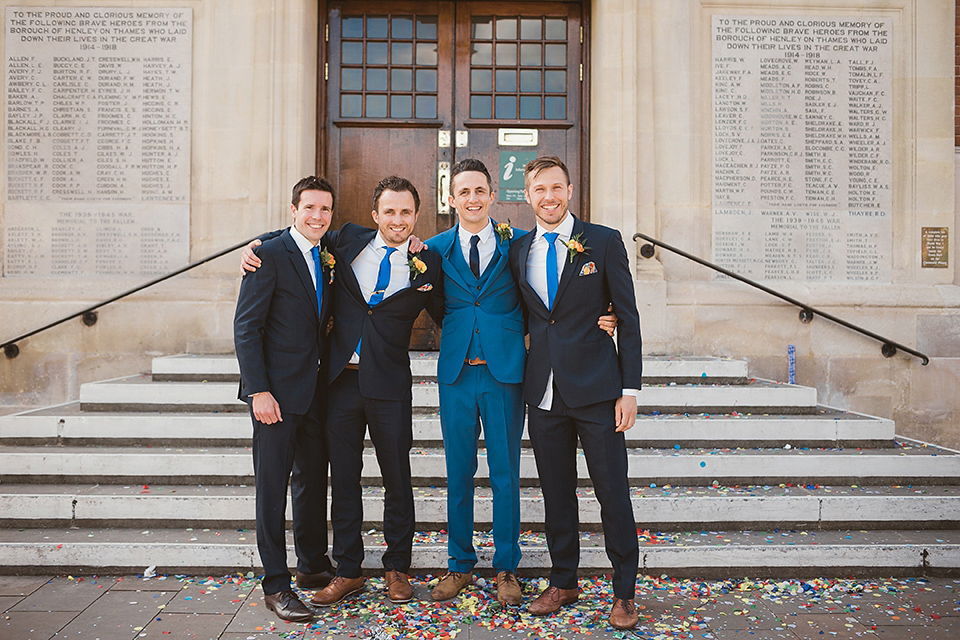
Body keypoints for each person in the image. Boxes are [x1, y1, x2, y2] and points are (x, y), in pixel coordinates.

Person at [424, 159, 620, 604]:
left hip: (508, 373)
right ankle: (459, 565)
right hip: (456, 372)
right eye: (463, 192)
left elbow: (554, 295)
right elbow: (436, 303)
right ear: (450, 199)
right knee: (459, 471)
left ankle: (506, 566)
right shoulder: (433, 250)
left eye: (480, 191)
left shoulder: (517, 245)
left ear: (493, 196)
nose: (472, 199)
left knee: (506, 473)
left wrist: (602, 318)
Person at [507, 156, 642, 630]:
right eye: (539, 189)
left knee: (612, 493)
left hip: (598, 390)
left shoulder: (603, 242)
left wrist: (630, 389)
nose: (548, 197)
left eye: (556, 188)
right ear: (527, 196)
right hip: (542, 393)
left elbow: (626, 316)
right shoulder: (517, 248)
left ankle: (624, 590)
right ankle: (564, 579)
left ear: (570, 190)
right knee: (556, 495)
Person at [310, 176, 444, 606]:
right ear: (375, 215)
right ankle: (348, 570)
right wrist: (253, 248)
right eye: (390, 211)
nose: (398, 220)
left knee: (397, 479)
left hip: (389, 384)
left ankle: (397, 568)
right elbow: (298, 234)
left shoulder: (429, 263)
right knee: (344, 478)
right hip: (341, 382)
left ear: (416, 216)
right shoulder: (346, 240)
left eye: (406, 212)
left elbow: (454, 312)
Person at [233, 176, 338, 623]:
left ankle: (313, 565)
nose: (318, 216)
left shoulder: (326, 252)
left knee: (312, 481)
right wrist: (258, 390)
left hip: (315, 394)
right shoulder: (268, 256)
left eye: (325, 210)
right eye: (310, 208)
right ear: (292, 209)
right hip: (274, 395)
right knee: (272, 489)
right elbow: (246, 327)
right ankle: (276, 584)